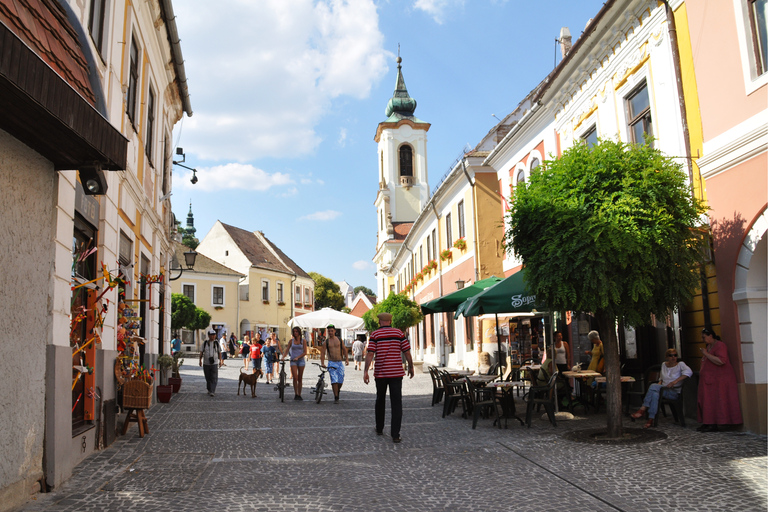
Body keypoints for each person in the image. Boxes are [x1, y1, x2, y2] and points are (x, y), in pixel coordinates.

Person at [363, 312, 414, 443]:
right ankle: (395, 434)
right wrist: (411, 366)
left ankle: (379, 428)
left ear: (379, 322)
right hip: (396, 373)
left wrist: (365, 371)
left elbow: (370, 354)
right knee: (397, 403)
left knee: (380, 400)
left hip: (381, 373)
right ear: (390, 321)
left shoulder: (375, 335)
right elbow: (406, 351)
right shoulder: (398, 334)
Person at [631, 348, 693, 428]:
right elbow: (661, 379)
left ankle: (643, 408)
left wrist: (675, 381)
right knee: (654, 394)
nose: (673, 357)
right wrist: (659, 386)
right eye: (671, 355)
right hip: (663, 390)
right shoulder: (664, 365)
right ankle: (651, 419)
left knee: (653, 386)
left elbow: (689, 372)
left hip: (673, 392)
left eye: (675, 355)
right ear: (667, 357)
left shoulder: (680, 365)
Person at [697, 328, 742, 432]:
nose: (702, 339)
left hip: (719, 380)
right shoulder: (709, 346)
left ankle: (714, 423)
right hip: (709, 380)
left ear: (710, 336)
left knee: (715, 401)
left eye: (704, 337)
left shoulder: (720, 345)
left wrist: (706, 354)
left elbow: (721, 361)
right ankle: (707, 422)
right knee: (707, 401)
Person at [320, 325, 349, 403]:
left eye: (332, 331)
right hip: (331, 362)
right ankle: (336, 397)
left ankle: (337, 391)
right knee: (334, 380)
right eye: (329, 331)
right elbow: (322, 353)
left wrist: (346, 359)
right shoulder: (326, 342)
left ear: (335, 331)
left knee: (340, 380)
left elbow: (344, 349)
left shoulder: (339, 340)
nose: (330, 332)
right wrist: (322, 363)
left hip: (339, 362)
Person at [283, 327, 307, 400]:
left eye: (296, 331)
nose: (295, 333)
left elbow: (305, 352)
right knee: (295, 377)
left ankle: (299, 394)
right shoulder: (291, 341)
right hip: (293, 360)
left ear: (299, 332)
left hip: (301, 360)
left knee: (300, 378)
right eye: (294, 332)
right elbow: (287, 351)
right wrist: (283, 357)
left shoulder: (303, 341)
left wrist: (298, 357)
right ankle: (296, 393)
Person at [199, 329, 222, 396]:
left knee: (214, 377)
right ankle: (209, 389)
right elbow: (201, 352)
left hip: (214, 363)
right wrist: (200, 360)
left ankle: (212, 390)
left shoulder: (217, 343)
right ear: (208, 336)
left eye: (214, 335)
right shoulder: (205, 343)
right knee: (208, 377)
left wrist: (220, 361)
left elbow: (219, 352)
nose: (213, 336)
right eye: (211, 335)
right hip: (206, 363)